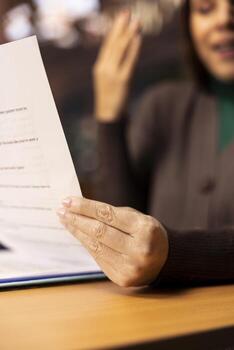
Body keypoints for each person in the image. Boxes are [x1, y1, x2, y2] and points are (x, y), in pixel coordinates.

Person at [57, 0, 234, 287]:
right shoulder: (162, 107)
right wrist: (109, 115)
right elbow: (118, 234)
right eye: (205, 9)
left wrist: (171, 252)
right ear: (188, 24)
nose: (223, 21)